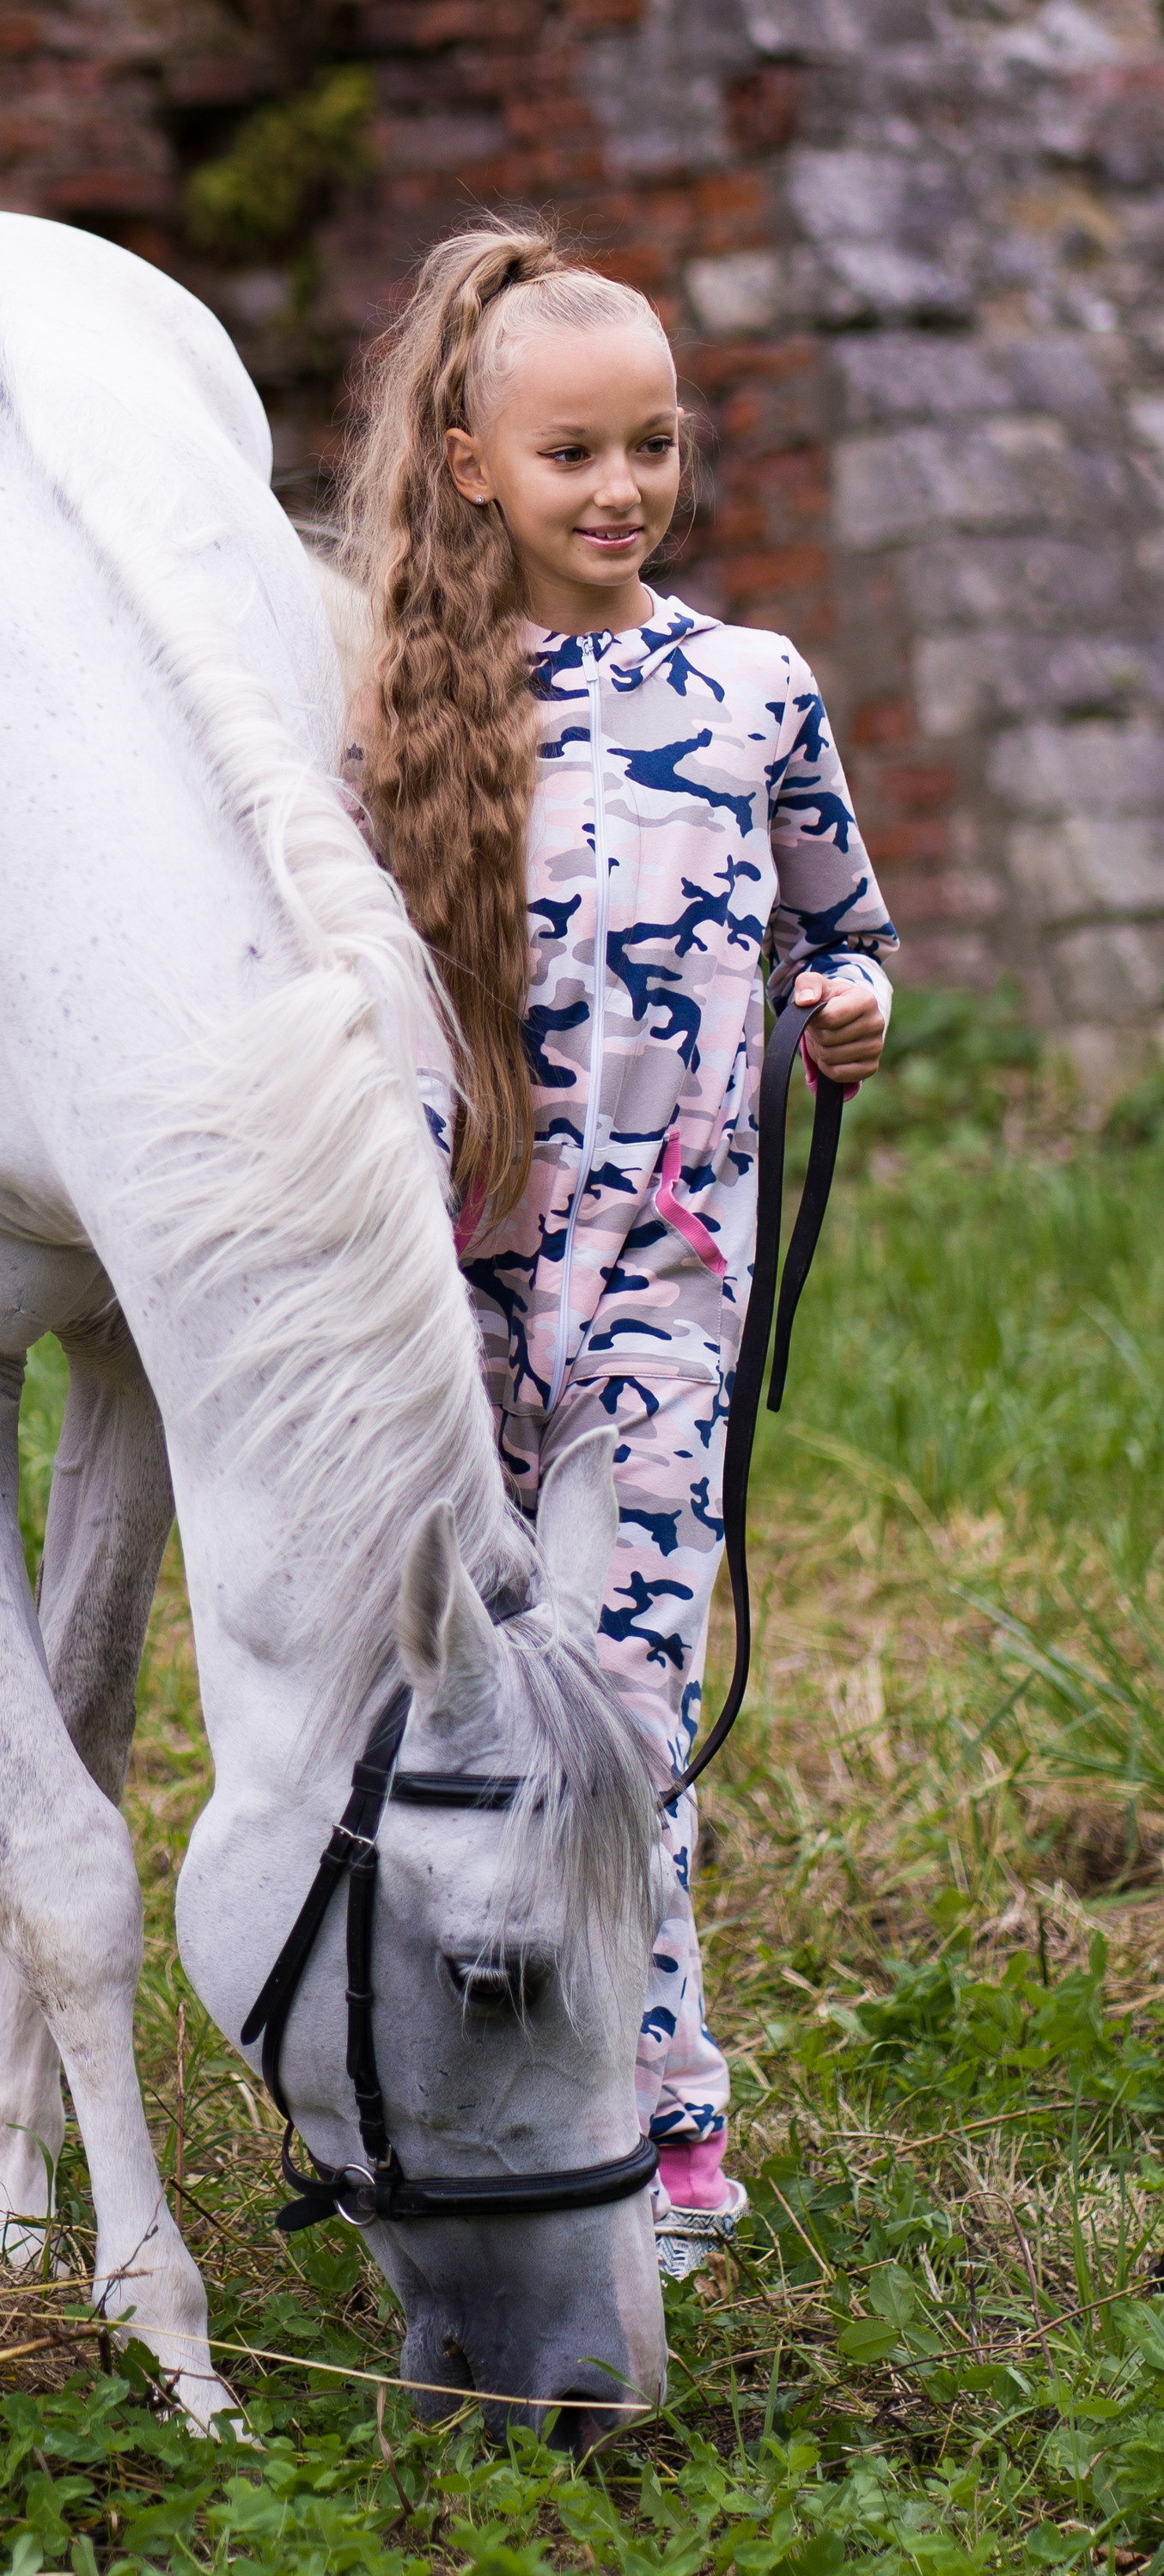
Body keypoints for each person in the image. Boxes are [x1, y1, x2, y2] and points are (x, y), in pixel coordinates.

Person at [340, 213, 895, 2263]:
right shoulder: (402, 715)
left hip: (667, 1299)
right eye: (571, 451)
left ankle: (665, 2115)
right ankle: (425, 2080)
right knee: (460, 1701)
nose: (621, 486)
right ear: (474, 466)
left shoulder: (754, 689)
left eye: (652, 442)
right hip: (450, 1303)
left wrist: (850, 1007)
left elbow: (845, 925)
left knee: (633, 1706)